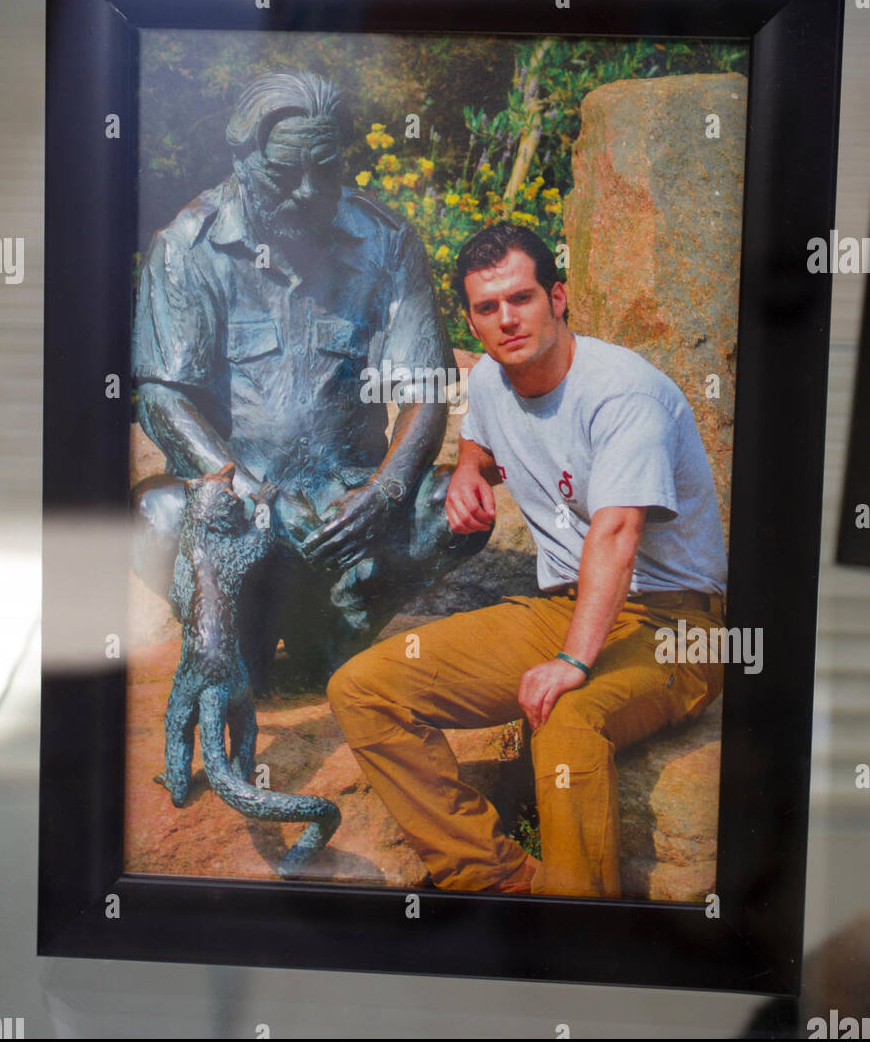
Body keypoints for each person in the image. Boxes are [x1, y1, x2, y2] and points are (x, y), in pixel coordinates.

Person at [327, 222, 728, 897]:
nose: (507, 319)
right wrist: (467, 473)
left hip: (673, 628)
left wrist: (572, 662)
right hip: (567, 606)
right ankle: (497, 883)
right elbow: (482, 444)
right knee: (361, 687)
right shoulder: (488, 380)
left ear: (558, 297)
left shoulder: (622, 391)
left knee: (566, 720)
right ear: (473, 322)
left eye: (521, 298)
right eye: (487, 308)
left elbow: (617, 532)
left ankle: (574, 932)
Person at [132, 70, 487, 701]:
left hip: (349, 517)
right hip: (240, 517)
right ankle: (243, 634)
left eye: (325, 169)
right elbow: (164, 398)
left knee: (454, 508)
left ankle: (340, 627)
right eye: (283, 173)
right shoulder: (187, 247)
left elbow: (425, 388)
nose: (307, 191)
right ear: (241, 161)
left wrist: (383, 493)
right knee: (154, 514)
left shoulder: (388, 242)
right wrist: (252, 494)